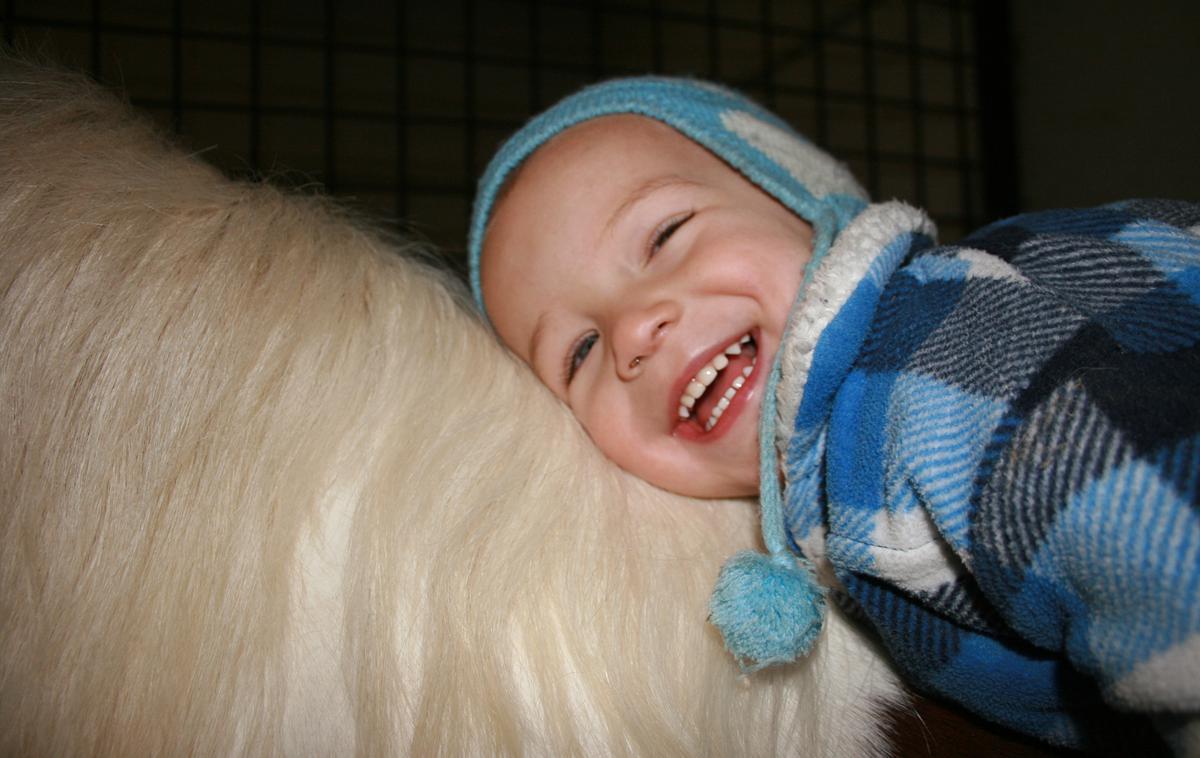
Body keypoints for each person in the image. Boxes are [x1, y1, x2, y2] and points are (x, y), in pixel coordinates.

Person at [467, 77, 1200, 753]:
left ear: (803, 197)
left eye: (664, 235)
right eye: (580, 350)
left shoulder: (926, 363)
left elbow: (1158, 534)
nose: (632, 330)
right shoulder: (839, 472)